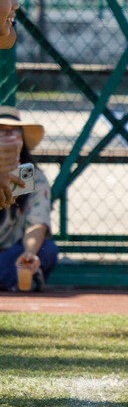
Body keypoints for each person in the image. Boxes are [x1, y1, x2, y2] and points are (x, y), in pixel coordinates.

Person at [0, 105, 57, 292]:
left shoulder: (30, 177)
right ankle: (11, 280)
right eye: (2, 131)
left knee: (47, 250)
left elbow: (37, 223)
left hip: (11, 251)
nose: (8, 137)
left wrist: (29, 253)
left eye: (14, 131)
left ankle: (21, 274)